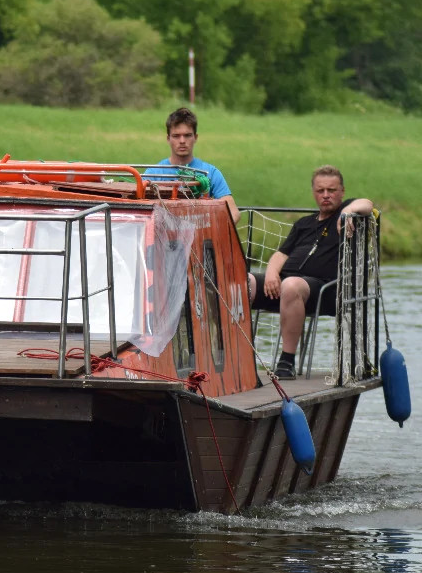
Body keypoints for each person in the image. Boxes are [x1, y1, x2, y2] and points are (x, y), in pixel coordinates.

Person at [249, 165, 373, 379]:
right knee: (244, 281)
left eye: (332, 190)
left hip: (326, 291)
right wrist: (271, 274)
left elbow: (368, 205)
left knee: (291, 285)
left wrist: (346, 212)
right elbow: (281, 254)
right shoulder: (304, 224)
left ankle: (286, 361)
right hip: (286, 284)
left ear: (342, 191)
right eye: (320, 190)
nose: (326, 195)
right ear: (314, 192)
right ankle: (238, 359)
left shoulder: (348, 217)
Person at [144, 107, 240, 223]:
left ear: (195, 137)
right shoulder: (153, 174)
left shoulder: (211, 172)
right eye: (176, 136)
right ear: (168, 138)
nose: (182, 141)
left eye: (187, 135)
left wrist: (213, 230)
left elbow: (233, 213)